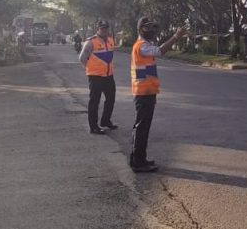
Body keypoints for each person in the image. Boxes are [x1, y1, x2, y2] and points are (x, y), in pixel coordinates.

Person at [129, 16, 189, 173]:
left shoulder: (145, 44)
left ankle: (139, 158)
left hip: (147, 91)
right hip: (143, 92)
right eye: (148, 28)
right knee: (142, 127)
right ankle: (138, 161)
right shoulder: (141, 46)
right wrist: (176, 36)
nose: (152, 31)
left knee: (142, 126)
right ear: (142, 29)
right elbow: (161, 51)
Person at [79, 19, 119, 135]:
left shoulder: (111, 40)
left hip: (108, 76)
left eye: (106, 28)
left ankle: (105, 121)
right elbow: (82, 59)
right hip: (95, 77)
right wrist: (90, 69)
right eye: (102, 28)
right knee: (94, 102)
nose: (104, 30)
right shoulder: (91, 42)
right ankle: (93, 127)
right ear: (98, 29)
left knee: (111, 99)